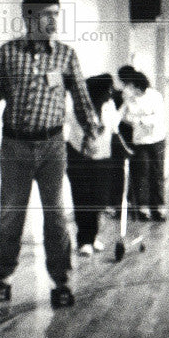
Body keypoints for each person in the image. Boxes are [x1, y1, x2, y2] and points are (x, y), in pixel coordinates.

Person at [0, 0, 101, 307]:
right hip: (15, 147)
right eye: (47, 14)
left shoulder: (65, 55)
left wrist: (92, 130)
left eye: (57, 14)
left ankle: (62, 282)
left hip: (52, 147)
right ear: (29, 17)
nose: (54, 21)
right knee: (11, 216)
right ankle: (2, 278)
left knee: (56, 216)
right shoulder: (8, 53)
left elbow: (82, 97)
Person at [65, 73, 119, 255]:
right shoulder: (77, 107)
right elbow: (79, 130)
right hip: (79, 156)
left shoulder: (110, 105)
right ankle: (83, 242)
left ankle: (93, 237)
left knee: (98, 200)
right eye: (108, 89)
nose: (111, 92)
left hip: (103, 158)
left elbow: (113, 127)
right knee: (82, 199)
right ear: (99, 91)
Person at [120, 68, 167, 221]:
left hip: (157, 138)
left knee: (157, 173)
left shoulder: (155, 96)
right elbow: (124, 116)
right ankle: (143, 208)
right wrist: (134, 120)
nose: (131, 89)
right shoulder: (129, 97)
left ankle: (159, 208)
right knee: (142, 174)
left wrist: (140, 120)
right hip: (140, 140)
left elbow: (158, 117)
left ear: (140, 85)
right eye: (129, 86)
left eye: (133, 86)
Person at [106, 65, 137, 218]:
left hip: (128, 136)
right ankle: (119, 204)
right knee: (119, 171)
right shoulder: (118, 96)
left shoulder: (130, 94)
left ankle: (125, 203)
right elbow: (117, 119)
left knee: (124, 171)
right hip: (122, 136)